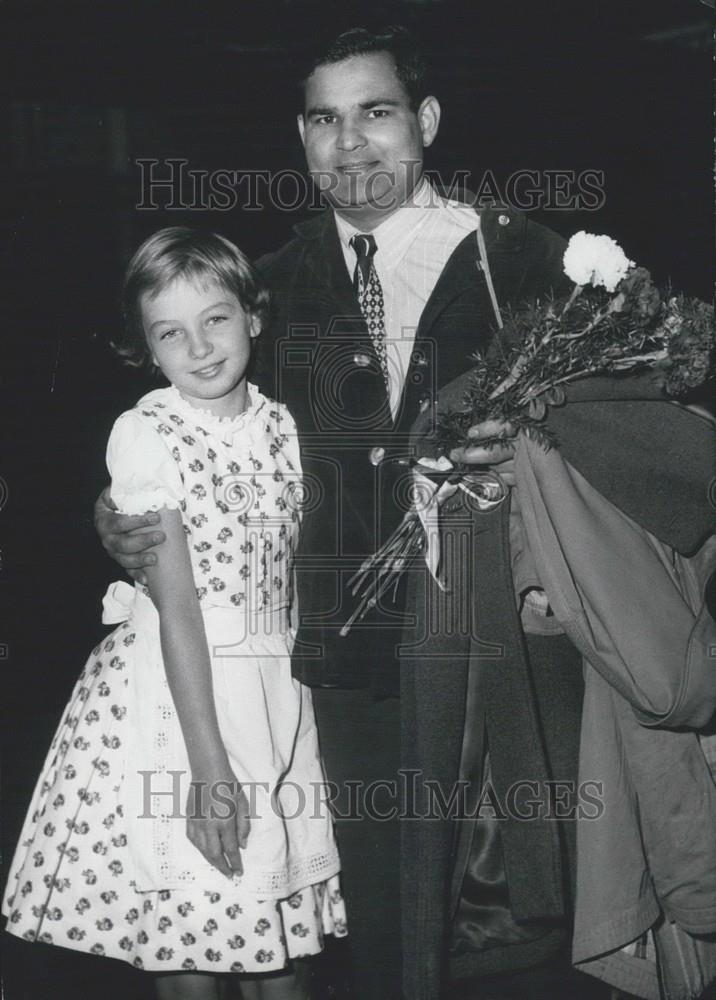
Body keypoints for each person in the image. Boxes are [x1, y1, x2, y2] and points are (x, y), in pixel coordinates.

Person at [94, 26, 575, 1000]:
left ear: (426, 122)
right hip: (331, 671)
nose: (350, 144)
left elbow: (623, 431)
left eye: (376, 112)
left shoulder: (521, 263)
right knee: (368, 928)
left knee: (517, 928)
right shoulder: (260, 286)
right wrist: (114, 515)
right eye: (324, 119)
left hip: (495, 652)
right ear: (301, 140)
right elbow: (194, 436)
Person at [3, 227, 347, 1000]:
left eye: (215, 319)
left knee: (276, 939)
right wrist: (210, 767)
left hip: (274, 690)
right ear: (146, 348)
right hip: (177, 698)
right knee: (191, 938)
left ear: (254, 317)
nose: (198, 347)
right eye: (170, 332)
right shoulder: (147, 435)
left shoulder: (285, 428)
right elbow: (179, 611)